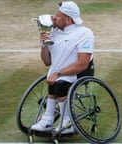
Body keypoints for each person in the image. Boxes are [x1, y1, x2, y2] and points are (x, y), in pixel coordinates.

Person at [31, 1, 94, 134]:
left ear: (68, 20)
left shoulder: (84, 33)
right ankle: (47, 119)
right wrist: (44, 44)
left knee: (59, 84)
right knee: (54, 83)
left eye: (57, 16)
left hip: (80, 72)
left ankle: (68, 122)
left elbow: (82, 63)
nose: (53, 19)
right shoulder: (53, 33)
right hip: (59, 73)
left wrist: (59, 74)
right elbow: (47, 62)